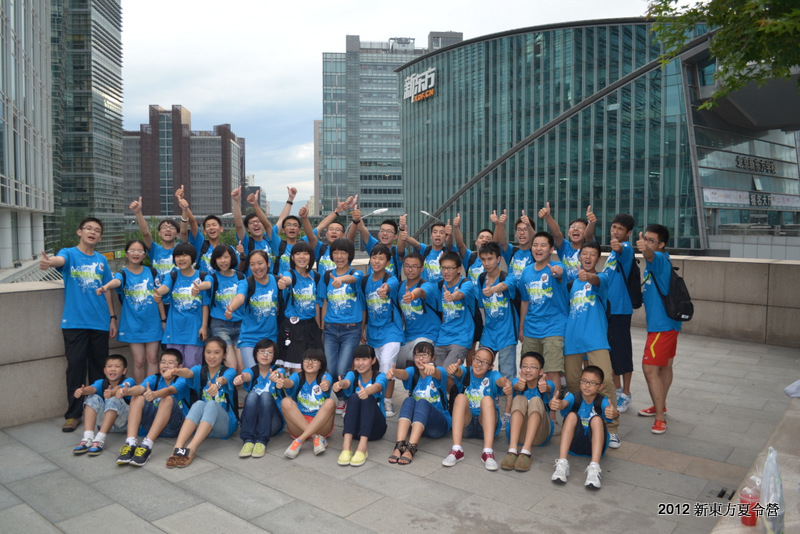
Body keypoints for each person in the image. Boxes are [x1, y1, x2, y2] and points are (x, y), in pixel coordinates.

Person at [40, 216, 116, 432]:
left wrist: (112, 317)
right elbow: (59, 261)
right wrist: (49, 262)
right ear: (80, 232)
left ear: (100, 237)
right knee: (75, 368)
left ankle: (97, 410)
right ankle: (74, 414)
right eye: (88, 228)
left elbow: (107, 289)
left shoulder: (102, 260)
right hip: (74, 322)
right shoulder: (69, 253)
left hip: (100, 322)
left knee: (99, 370)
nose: (92, 232)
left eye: (97, 230)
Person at [563, 242, 621, 449]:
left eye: (592, 254)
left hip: (596, 339)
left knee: (606, 381)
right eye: (584, 254)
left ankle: (611, 428)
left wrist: (589, 277)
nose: (588, 257)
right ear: (579, 257)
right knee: (573, 382)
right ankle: (578, 421)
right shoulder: (571, 284)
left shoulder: (602, 278)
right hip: (572, 340)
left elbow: (596, 279)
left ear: (598, 259)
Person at [518, 231, 569, 424]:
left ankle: (552, 415)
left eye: (543, 245)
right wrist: (521, 327)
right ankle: (531, 409)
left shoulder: (558, 267)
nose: (538, 249)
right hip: (531, 328)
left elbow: (560, 274)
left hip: (554, 329)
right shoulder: (526, 272)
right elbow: (525, 301)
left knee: (552, 371)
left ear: (551, 248)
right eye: (535, 245)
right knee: (528, 371)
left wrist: (557, 273)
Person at [164, 337, 239, 468]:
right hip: (203, 427)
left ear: (224, 355)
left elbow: (224, 379)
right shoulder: (200, 370)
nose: (212, 356)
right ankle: (177, 448)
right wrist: (176, 371)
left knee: (211, 404)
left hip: (225, 426)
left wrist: (217, 385)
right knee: (199, 404)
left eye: (217, 352)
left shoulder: (230, 371)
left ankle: (191, 449)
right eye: (208, 352)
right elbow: (189, 373)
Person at [96, 239, 164, 384]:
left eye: (139, 251)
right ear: (126, 254)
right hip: (133, 323)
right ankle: (139, 391)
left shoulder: (152, 272)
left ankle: (150, 391)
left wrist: (163, 319)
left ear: (144, 255)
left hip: (152, 323)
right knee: (139, 360)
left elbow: (159, 297)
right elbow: (117, 282)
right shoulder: (123, 273)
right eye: (132, 250)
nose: (136, 254)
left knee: (153, 358)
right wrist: (106, 286)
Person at [636, 224, 682, 435]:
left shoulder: (660, 259)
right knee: (665, 367)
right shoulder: (659, 260)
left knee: (649, 369)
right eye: (645, 238)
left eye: (651, 240)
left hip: (661, 327)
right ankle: (660, 405)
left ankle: (660, 419)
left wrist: (645, 248)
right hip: (668, 324)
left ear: (661, 244)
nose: (646, 243)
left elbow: (649, 254)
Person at [116, 348, 190, 467]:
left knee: (167, 399)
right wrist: (127, 391)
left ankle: (146, 446)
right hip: (152, 424)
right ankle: (130, 443)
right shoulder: (154, 378)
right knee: (137, 397)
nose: (166, 365)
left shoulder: (183, 379)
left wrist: (155, 394)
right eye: (163, 362)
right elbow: (140, 388)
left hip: (174, 425)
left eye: (170, 363)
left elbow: (170, 390)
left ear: (179, 366)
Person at [442, 347, 511, 471]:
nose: (479, 364)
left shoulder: (493, 375)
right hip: (466, 424)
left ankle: (488, 452)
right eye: (477, 360)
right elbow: (459, 371)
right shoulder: (467, 372)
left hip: (487, 425)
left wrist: (504, 382)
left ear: (491, 366)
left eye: (484, 362)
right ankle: (457, 449)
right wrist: (455, 369)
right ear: (472, 359)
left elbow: (499, 381)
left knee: (487, 400)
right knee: (460, 397)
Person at [549, 365, 619, 489]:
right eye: (584, 381)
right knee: (571, 416)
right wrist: (557, 404)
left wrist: (614, 413)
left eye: (592, 383)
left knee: (597, 419)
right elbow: (563, 403)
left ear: (600, 386)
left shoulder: (602, 401)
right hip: (574, 445)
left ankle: (594, 468)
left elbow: (611, 411)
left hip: (595, 446)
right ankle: (562, 463)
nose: (587, 385)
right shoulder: (574, 397)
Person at [317, 237, 364, 413]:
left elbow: (353, 279)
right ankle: (339, 399)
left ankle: (348, 400)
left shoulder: (357, 273)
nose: (339, 256)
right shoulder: (326, 275)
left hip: (351, 329)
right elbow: (324, 302)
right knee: (330, 368)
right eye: (335, 253)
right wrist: (322, 327)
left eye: (343, 253)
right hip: (330, 328)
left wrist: (341, 280)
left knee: (343, 369)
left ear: (349, 255)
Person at [409, 251, 477, 371]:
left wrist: (453, 296)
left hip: (461, 338)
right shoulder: (440, 286)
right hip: (443, 337)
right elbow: (423, 291)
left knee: (448, 372)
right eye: (443, 268)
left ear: (459, 269)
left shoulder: (466, 284)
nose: (446, 271)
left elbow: (461, 294)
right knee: (434, 371)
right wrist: (413, 295)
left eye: (450, 268)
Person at [385, 341, 450, 465]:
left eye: (424, 355)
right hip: (416, 425)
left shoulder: (440, 371)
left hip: (438, 425)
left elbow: (438, 374)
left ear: (433, 357)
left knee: (422, 403)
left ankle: (411, 447)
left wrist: (432, 369)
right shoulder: (413, 371)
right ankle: (399, 445)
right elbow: (404, 374)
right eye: (417, 355)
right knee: (409, 400)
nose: (420, 358)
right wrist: (394, 372)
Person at [475, 241, 518, 418]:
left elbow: (506, 285)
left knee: (507, 375)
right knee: (481, 369)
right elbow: (481, 307)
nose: (487, 263)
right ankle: (483, 407)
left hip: (507, 334)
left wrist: (493, 289)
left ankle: (507, 414)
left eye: (490, 259)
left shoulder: (508, 277)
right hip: (489, 334)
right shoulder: (480, 279)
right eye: (483, 259)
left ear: (498, 259)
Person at [362, 244, 403, 417]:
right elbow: (363, 307)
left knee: (387, 363)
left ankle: (387, 400)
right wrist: (362, 329)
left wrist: (385, 289)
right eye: (374, 257)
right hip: (372, 332)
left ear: (387, 262)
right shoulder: (365, 281)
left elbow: (390, 285)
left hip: (391, 331)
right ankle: (375, 397)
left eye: (381, 258)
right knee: (375, 368)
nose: (376, 261)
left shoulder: (391, 279)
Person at [602, 214, 637, 413]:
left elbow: (624, 249)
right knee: (611, 352)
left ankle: (626, 392)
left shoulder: (626, 249)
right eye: (613, 227)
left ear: (628, 233)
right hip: (609, 310)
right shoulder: (611, 255)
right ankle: (616, 389)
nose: (615, 231)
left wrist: (619, 246)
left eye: (620, 229)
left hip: (620, 311)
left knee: (622, 352)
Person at [154, 243, 210, 368]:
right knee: (172, 367)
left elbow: (205, 304)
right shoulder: (172, 276)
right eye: (178, 256)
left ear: (192, 257)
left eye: (185, 255)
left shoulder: (202, 276)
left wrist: (204, 327)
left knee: (192, 366)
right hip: (174, 330)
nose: (181, 259)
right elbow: (165, 286)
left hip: (194, 329)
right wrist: (158, 292)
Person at [332, 345, 388, 467]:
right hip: (354, 429)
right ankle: (346, 448)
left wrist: (367, 391)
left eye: (364, 359)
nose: (360, 363)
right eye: (357, 359)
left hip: (375, 429)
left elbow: (378, 386)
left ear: (373, 360)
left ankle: (362, 448)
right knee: (354, 397)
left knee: (366, 397)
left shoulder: (380, 376)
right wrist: (341, 384)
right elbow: (347, 382)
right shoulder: (353, 375)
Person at [225, 249, 280, 369]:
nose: (257, 267)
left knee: (268, 375)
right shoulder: (246, 283)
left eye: (260, 263)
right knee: (253, 373)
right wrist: (231, 308)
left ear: (268, 263)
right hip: (249, 339)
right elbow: (240, 297)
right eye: (252, 264)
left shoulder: (276, 282)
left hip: (270, 339)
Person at [72, 354, 135, 456]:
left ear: (124, 370)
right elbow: (92, 389)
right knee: (92, 397)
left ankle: (100, 439)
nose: (113, 369)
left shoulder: (129, 381)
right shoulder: (101, 382)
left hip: (124, 424)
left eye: (117, 366)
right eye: (109, 366)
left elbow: (121, 388)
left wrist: (112, 392)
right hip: (105, 423)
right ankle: (88, 438)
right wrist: (82, 391)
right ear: (105, 370)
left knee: (113, 399)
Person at [129, 193, 181, 314]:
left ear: (177, 234)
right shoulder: (155, 249)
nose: (168, 229)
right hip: (157, 300)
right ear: (159, 233)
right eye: (164, 227)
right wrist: (138, 212)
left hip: (177, 300)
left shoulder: (180, 250)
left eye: (172, 228)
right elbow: (146, 233)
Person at [500, 352, 554, 472]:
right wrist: (517, 387)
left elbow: (549, 388)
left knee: (536, 400)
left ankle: (526, 451)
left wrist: (546, 388)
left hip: (539, 435)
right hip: (518, 435)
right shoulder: (517, 382)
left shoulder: (547, 384)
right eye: (524, 366)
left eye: (533, 367)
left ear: (541, 371)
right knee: (519, 398)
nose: (528, 370)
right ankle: (512, 450)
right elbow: (515, 385)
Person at [196, 245, 245, 371]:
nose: (223, 261)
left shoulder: (240, 277)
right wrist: (199, 287)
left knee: (242, 367)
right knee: (231, 366)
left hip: (240, 325)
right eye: (219, 258)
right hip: (220, 326)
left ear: (232, 258)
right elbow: (207, 284)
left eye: (226, 257)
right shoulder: (212, 277)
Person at [279, 349, 336, 459]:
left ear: (321, 364)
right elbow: (290, 382)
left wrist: (326, 384)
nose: (310, 363)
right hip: (299, 423)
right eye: (307, 359)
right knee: (286, 401)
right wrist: (283, 382)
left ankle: (299, 441)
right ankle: (316, 437)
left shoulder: (324, 376)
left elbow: (327, 382)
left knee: (330, 402)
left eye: (314, 360)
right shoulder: (298, 376)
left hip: (321, 424)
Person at [233, 339, 285, 458]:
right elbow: (246, 375)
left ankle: (261, 441)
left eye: (269, 352)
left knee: (266, 396)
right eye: (262, 351)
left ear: (274, 355)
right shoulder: (251, 371)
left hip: (273, 423)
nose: (265, 355)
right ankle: (248, 440)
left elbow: (280, 373)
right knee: (252, 395)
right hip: (253, 422)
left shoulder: (277, 369)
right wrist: (241, 378)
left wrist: (277, 376)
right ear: (256, 353)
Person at [276, 241, 322, 372]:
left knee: (313, 368)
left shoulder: (316, 277)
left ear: (311, 257)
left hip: (311, 327)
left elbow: (317, 304)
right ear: (292, 257)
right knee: (295, 368)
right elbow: (287, 279)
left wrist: (320, 328)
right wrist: (284, 282)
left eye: (305, 253)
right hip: (293, 327)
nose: (302, 257)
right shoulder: (289, 273)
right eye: (298, 254)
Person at [397, 251, 440, 368]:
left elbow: (421, 292)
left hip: (427, 336)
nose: (410, 270)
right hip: (408, 337)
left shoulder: (427, 285)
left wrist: (412, 295)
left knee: (419, 358)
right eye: (407, 266)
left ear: (421, 269)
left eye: (414, 266)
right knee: (393, 361)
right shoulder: (400, 286)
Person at [538, 202, 597, 283]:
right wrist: (548, 217)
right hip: (565, 288)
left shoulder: (588, 247)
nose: (575, 229)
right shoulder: (564, 246)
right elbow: (556, 233)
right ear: (568, 233)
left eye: (580, 227)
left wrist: (591, 223)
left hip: (583, 287)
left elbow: (589, 235)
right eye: (572, 227)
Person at [348, 207, 406, 279]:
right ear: (378, 234)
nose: (385, 233)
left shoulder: (395, 251)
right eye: (382, 230)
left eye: (389, 231)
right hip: (371, 285)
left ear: (395, 237)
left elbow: (401, 249)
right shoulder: (374, 245)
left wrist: (402, 228)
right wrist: (353, 209)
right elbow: (362, 228)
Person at [232, 186, 277, 275]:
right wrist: (236, 201)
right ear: (248, 229)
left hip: (269, 280)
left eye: (258, 221)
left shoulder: (268, 238)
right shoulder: (246, 242)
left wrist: (290, 199)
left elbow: (272, 223)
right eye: (252, 223)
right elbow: (239, 225)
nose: (256, 224)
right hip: (252, 280)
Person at [498, 210, 536, 281]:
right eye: (519, 230)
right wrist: (502, 225)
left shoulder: (536, 252)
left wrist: (528, 225)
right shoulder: (512, 251)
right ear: (515, 234)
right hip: (511, 287)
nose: (522, 233)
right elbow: (502, 242)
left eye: (525, 230)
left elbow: (537, 240)